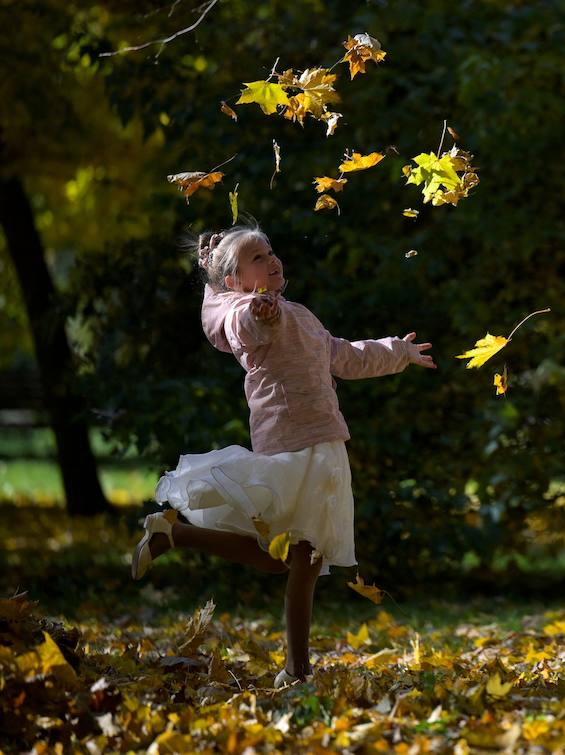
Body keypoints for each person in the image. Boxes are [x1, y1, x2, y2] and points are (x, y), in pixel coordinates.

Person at [130, 224, 436, 686]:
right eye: (257, 257)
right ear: (233, 281)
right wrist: (257, 312)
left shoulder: (301, 315)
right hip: (292, 448)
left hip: (324, 445)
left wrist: (397, 352)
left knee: (283, 560)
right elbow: (237, 328)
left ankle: (175, 536)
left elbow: (343, 356)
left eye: (270, 251)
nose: (271, 259)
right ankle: (296, 671)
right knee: (305, 561)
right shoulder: (242, 312)